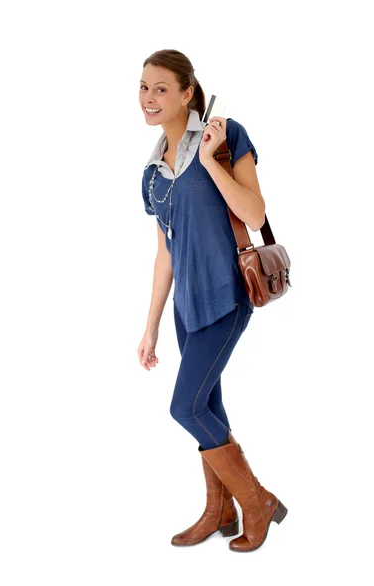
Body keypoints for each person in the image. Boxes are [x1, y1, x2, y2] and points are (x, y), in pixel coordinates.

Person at [137, 49, 287, 553]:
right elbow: (166, 256)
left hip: (227, 294)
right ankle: (219, 509)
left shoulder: (225, 138)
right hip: (186, 309)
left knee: (187, 405)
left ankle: (256, 501)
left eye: (160, 88)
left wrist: (208, 162)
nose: (149, 97)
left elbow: (254, 208)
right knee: (209, 405)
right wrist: (152, 325)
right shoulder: (152, 175)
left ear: (186, 93)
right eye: (143, 87)